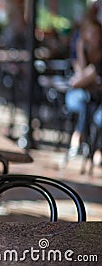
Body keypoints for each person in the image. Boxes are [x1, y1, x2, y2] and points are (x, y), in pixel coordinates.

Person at [65, 10, 102, 156]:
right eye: (92, 34)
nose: (95, 37)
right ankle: (86, 141)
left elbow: (78, 80)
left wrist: (82, 80)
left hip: (96, 99)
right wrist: (80, 50)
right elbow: (78, 78)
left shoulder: (100, 59)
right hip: (83, 97)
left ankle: (80, 136)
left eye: (97, 34)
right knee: (83, 100)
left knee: (88, 103)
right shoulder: (81, 51)